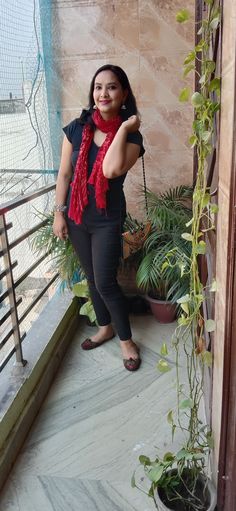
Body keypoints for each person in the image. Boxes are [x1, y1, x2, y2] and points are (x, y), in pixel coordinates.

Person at [53, 64, 145, 371]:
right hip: (78, 217)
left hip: (107, 218)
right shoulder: (77, 127)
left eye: (112, 87)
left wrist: (120, 129)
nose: (103, 93)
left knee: (105, 281)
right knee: (92, 278)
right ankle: (105, 327)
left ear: (124, 94)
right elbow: (65, 174)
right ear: (93, 93)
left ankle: (126, 340)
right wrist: (59, 214)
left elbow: (110, 170)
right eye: (98, 87)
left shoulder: (132, 138)